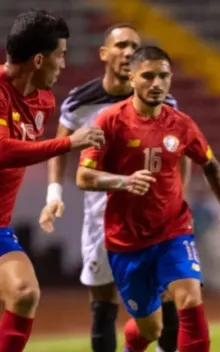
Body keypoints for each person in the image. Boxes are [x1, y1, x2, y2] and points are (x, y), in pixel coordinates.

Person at [76, 45, 220, 352]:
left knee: (189, 298)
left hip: (173, 231)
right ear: (132, 77)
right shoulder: (109, 122)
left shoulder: (182, 123)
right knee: (151, 328)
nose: (157, 83)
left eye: (163, 76)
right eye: (148, 76)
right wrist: (123, 181)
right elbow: (84, 177)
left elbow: (211, 165)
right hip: (127, 242)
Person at [38, 24, 183, 352]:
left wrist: (176, 197)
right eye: (121, 45)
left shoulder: (165, 101)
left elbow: (181, 149)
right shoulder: (81, 103)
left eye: (135, 46)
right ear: (104, 53)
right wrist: (53, 196)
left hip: (151, 216)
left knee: (167, 292)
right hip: (101, 216)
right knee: (103, 297)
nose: (129, 52)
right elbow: (60, 148)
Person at [0, 9, 105, 352]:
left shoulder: (43, 102)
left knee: (24, 293)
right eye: (60, 56)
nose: (63, 65)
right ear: (39, 59)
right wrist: (68, 143)